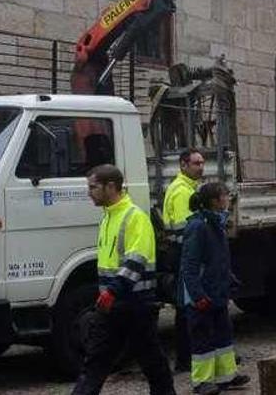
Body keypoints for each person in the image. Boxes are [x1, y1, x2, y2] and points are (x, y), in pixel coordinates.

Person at [72, 164, 176, 395]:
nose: (89, 192)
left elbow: (135, 261)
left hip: (135, 305)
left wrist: (111, 292)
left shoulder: (134, 217)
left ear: (111, 187)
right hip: (114, 305)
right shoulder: (109, 217)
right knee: (96, 362)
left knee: (150, 361)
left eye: (93, 187)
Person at [182, 182, 250, 394]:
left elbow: (216, 260)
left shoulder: (215, 223)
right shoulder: (199, 226)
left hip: (216, 291)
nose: (228, 199)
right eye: (225, 195)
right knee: (203, 338)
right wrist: (197, 295)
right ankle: (201, 382)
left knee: (223, 334)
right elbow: (189, 266)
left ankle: (226, 376)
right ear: (215, 201)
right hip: (203, 294)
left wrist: (228, 278)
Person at [162, 149, 205, 371]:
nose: (201, 167)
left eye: (202, 163)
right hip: (184, 254)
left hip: (182, 253)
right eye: (196, 163)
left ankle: (188, 357)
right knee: (187, 307)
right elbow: (184, 231)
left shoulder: (187, 188)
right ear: (183, 165)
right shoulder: (182, 192)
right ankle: (186, 359)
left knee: (186, 307)